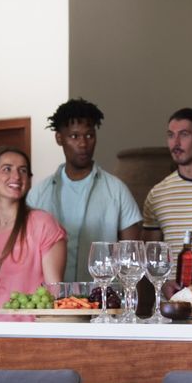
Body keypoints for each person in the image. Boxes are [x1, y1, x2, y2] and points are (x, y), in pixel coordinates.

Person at [26, 98, 142, 282]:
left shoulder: (116, 190)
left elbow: (132, 256)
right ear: (59, 138)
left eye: (89, 135)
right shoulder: (38, 195)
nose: (83, 144)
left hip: (103, 301)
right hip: (52, 302)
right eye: (74, 136)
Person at [0, 146, 66, 321]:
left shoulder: (43, 224)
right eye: (7, 169)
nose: (16, 176)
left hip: (28, 338)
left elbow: (54, 294)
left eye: (23, 170)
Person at [142, 108, 192, 297]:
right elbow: (148, 255)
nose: (176, 143)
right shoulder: (157, 194)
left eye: (184, 135)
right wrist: (162, 283)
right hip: (172, 304)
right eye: (171, 135)